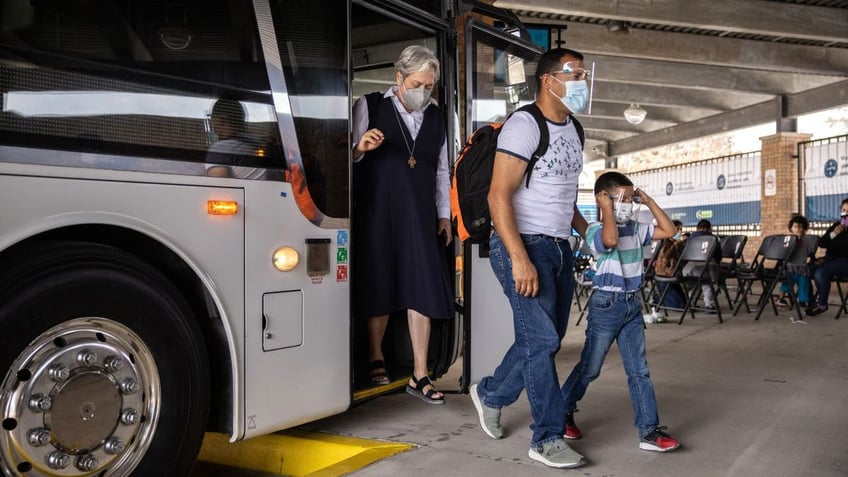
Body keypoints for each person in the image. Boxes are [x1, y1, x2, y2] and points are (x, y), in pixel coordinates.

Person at [469, 47, 589, 469]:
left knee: (542, 341)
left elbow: (564, 194)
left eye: (584, 74)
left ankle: (492, 393)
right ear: (548, 79)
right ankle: (547, 437)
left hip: (559, 247)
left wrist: (587, 232)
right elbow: (498, 195)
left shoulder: (574, 129)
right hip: (522, 243)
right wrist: (519, 258)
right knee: (541, 341)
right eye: (574, 74)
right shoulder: (524, 125)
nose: (582, 82)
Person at [351, 45, 452, 404]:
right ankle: (375, 355)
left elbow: (442, 171)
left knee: (421, 286)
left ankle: (420, 373)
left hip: (420, 213)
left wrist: (444, 214)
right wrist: (359, 147)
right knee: (379, 280)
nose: (422, 91)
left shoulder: (437, 116)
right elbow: (344, 155)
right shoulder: (370, 105)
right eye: (416, 83)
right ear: (399, 78)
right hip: (379, 210)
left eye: (429, 85)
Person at [561, 171, 681, 453]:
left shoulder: (637, 230)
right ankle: (561, 410)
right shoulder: (595, 231)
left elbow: (669, 231)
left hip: (631, 305)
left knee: (640, 371)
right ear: (604, 200)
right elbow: (610, 239)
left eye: (631, 198)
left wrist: (648, 201)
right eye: (622, 199)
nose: (628, 204)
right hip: (606, 305)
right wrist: (605, 209)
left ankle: (649, 431)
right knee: (590, 368)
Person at [205, 98, 267, 179]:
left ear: (221, 121)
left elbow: (217, 185)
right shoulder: (257, 144)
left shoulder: (221, 148)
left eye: (212, 118)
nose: (212, 123)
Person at [807, 198, 848, 316]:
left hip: (844, 262)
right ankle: (810, 301)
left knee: (821, 273)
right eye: (844, 210)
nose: (846, 213)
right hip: (829, 259)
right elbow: (822, 243)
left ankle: (822, 304)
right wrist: (834, 233)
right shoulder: (836, 226)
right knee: (806, 270)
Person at [776, 215, 815, 310]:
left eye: (801, 227)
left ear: (804, 228)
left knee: (804, 283)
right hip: (789, 267)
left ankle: (802, 301)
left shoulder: (807, 240)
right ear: (791, 228)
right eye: (795, 227)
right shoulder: (788, 239)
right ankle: (780, 298)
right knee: (786, 282)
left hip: (802, 268)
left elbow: (810, 253)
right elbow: (783, 252)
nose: (798, 229)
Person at [685, 219, 722, 313]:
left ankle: (691, 303)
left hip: (690, 267)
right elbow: (718, 255)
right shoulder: (713, 238)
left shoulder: (690, 238)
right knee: (708, 284)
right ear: (709, 228)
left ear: (697, 228)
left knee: (693, 285)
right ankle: (709, 306)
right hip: (708, 265)